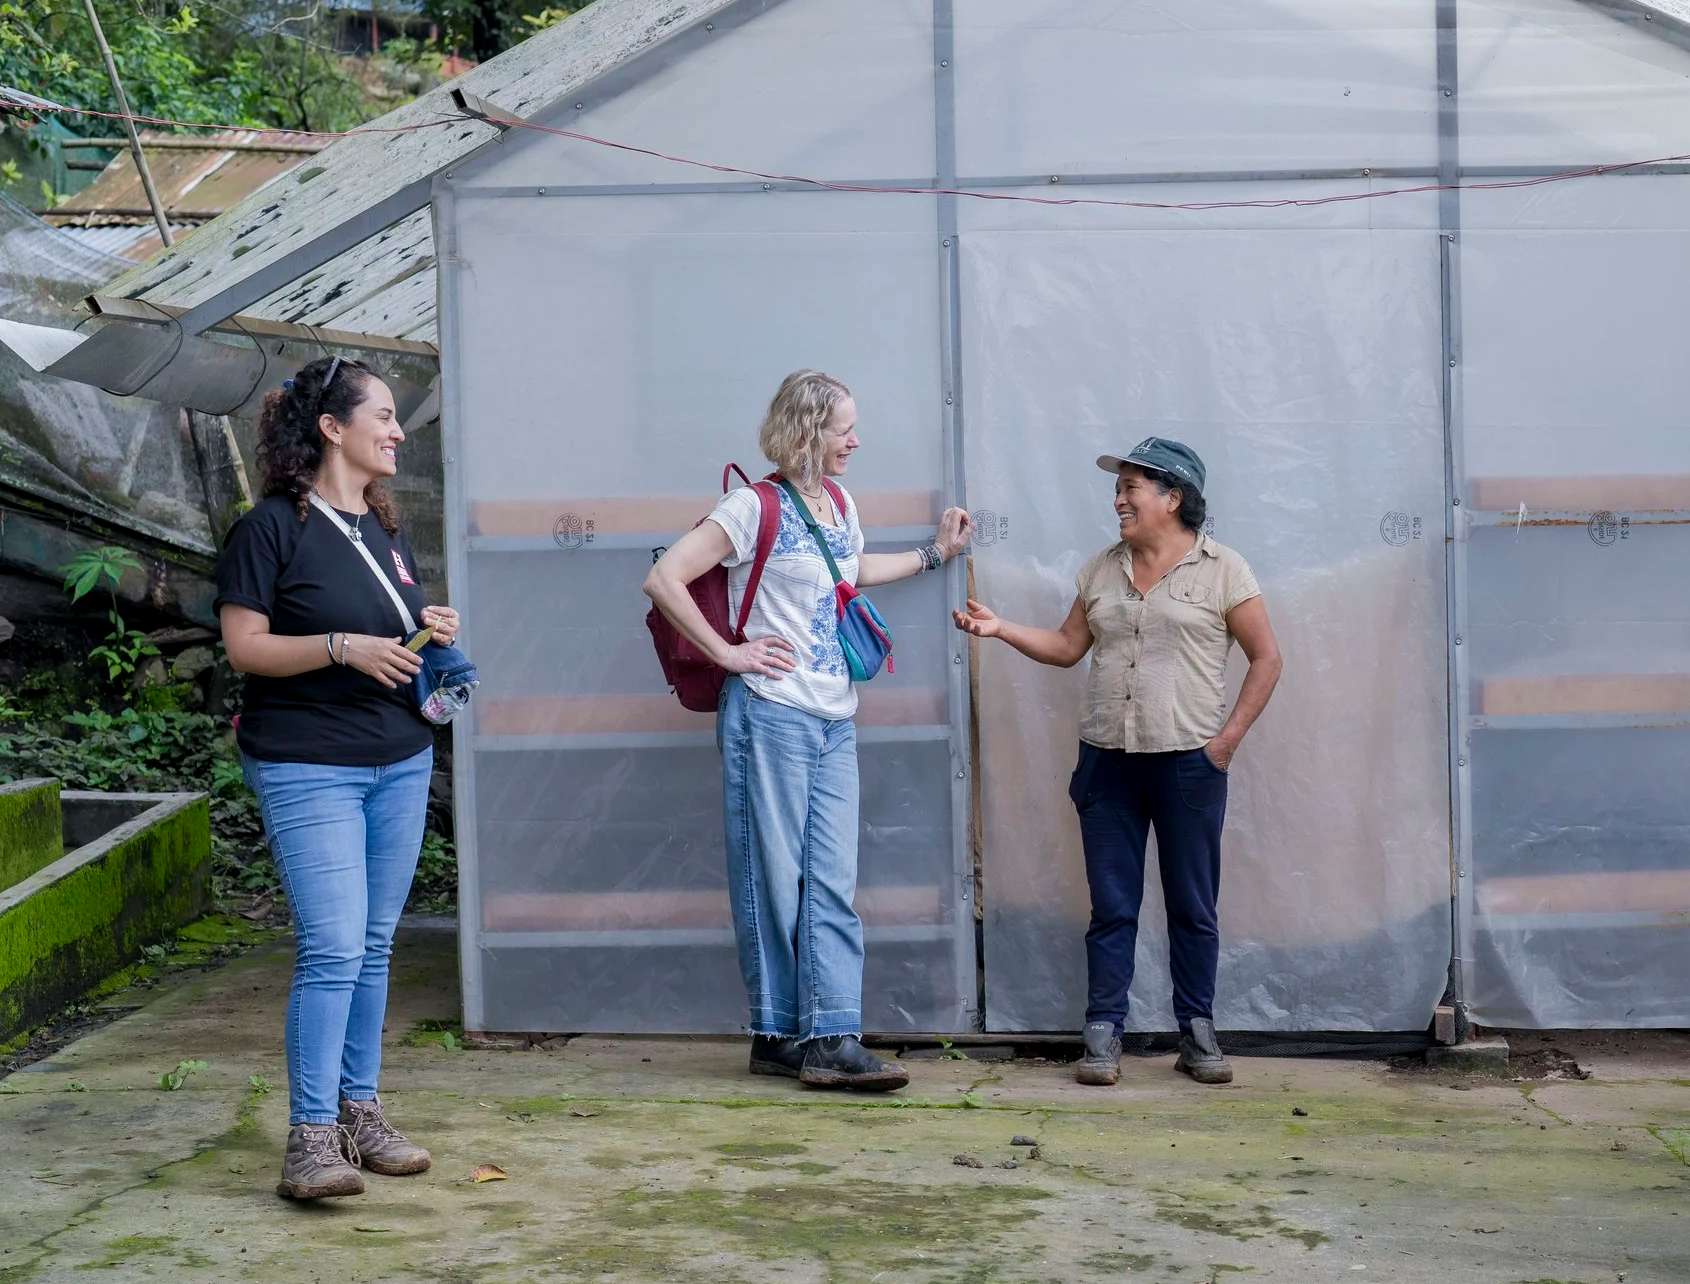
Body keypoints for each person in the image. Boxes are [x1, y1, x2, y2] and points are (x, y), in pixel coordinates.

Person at [644, 370, 970, 1090]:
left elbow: (850, 569)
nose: (855, 439)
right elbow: (666, 576)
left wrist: (933, 555)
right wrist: (729, 654)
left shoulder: (839, 503)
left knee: (830, 878)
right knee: (773, 878)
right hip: (769, 711)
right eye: (842, 427)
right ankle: (787, 1033)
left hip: (833, 714)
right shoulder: (750, 506)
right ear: (806, 429)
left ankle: (823, 1033)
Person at [954, 438, 1281, 1087]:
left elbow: (1267, 659)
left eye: (1132, 487)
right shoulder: (1102, 569)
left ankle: (1197, 1029)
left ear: (1173, 497)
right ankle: (1103, 1031)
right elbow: (1068, 645)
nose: (1119, 499)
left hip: (1189, 764)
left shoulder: (1224, 570)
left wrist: (1224, 745)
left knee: (1193, 905)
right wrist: (1003, 629)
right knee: (1112, 905)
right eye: (1119, 487)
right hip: (1107, 761)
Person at [217, 356, 461, 1199]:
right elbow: (246, 647)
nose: (398, 432)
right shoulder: (269, 530)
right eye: (385, 416)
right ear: (332, 427)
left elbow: (385, 638)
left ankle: (362, 1113)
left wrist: (425, 629)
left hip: (398, 759)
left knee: (373, 945)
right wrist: (338, 648)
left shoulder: (384, 529)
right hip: (305, 764)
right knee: (330, 949)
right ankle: (310, 1140)